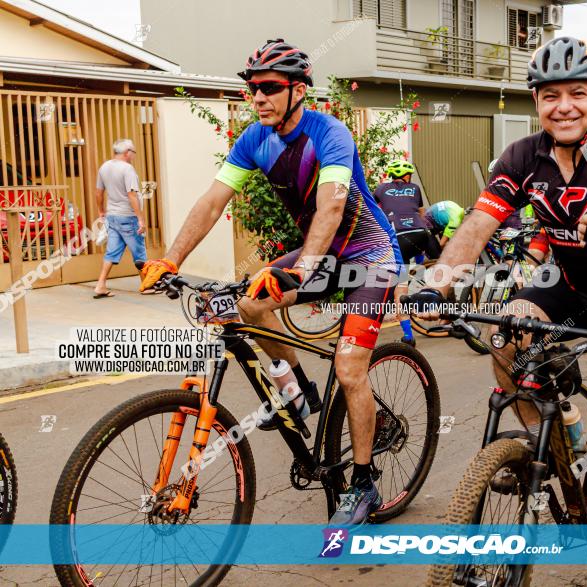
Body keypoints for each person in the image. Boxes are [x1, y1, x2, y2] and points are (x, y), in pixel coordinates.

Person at [412, 37, 587, 586]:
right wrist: (436, 284)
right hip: (570, 282)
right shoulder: (521, 157)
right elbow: (477, 226)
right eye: (550, 95)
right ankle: (562, 442)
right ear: (535, 101)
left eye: (577, 94)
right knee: (504, 334)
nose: (564, 106)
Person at [138, 39, 401, 526]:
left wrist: (300, 271)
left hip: (370, 255)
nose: (257, 97)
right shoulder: (253, 140)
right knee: (253, 305)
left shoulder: (330, 133)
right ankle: (300, 393)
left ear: (299, 90)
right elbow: (213, 201)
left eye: (268, 88)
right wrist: (170, 259)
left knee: (349, 369)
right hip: (318, 254)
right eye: (251, 89)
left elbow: (333, 207)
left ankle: (363, 483)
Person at [373, 159, 440, 345]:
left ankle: (409, 337)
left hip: (399, 239)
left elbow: (372, 210)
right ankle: (422, 269)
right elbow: (421, 213)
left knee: (399, 291)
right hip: (421, 235)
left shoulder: (381, 189)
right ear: (406, 176)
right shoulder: (415, 188)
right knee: (429, 259)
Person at [93, 138, 146, 298]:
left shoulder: (104, 167)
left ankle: (100, 285)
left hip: (113, 216)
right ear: (127, 152)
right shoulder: (127, 169)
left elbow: (98, 192)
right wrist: (140, 219)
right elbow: (132, 195)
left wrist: (101, 211)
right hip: (128, 216)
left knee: (111, 252)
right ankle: (146, 285)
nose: (134, 155)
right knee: (139, 252)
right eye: (133, 152)